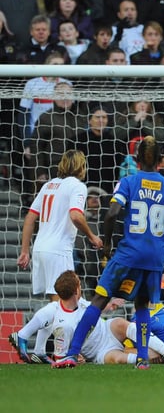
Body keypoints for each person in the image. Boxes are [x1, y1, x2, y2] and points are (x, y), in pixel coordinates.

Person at [53, 136, 164, 369]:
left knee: (99, 299)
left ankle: (72, 354)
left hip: (128, 254)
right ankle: (143, 359)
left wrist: (106, 243)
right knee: (143, 305)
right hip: (154, 258)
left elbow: (111, 213)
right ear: (160, 161)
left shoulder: (128, 182)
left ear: (136, 160)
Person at [16, 150, 103, 363]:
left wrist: (25, 250)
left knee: (55, 303)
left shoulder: (49, 185)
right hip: (59, 249)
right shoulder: (77, 186)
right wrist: (92, 235)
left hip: (40, 248)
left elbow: (30, 217)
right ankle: (36, 341)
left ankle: (38, 350)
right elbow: (75, 214)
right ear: (82, 167)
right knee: (64, 303)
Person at [10, 271, 164, 366]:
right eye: (79, 283)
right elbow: (60, 358)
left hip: (108, 330)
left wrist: (110, 304)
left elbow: (92, 308)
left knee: (121, 323)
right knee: (117, 359)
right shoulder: (64, 325)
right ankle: (162, 356)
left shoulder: (75, 303)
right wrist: (76, 359)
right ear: (77, 291)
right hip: (100, 351)